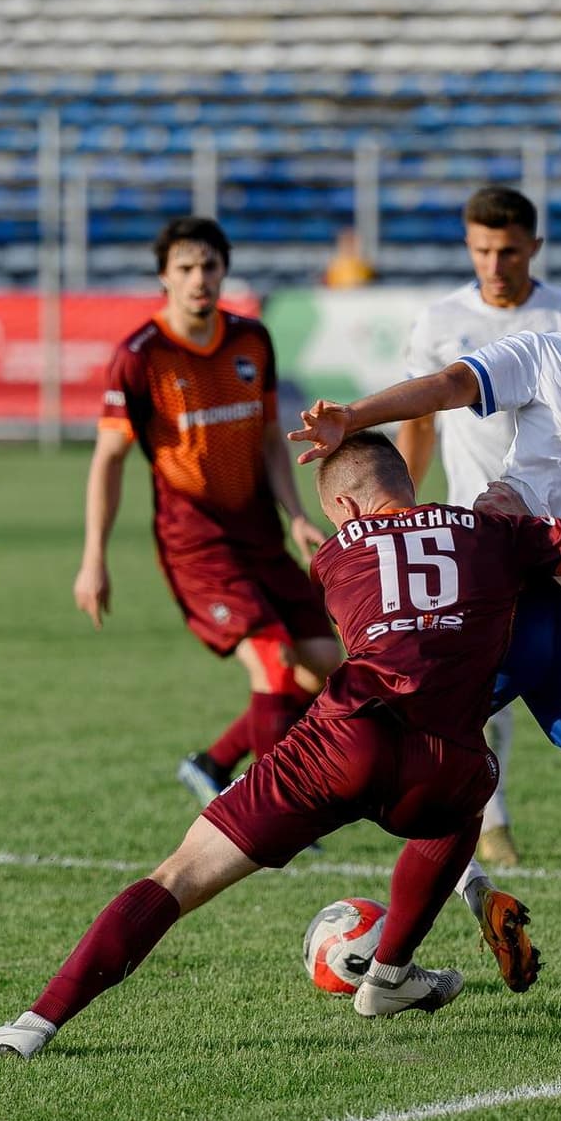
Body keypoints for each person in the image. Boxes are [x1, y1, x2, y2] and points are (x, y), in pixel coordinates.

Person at [0, 433, 561, 1059]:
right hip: (445, 765)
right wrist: (533, 532)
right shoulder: (492, 533)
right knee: (467, 797)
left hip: (345, 741)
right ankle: (389, 975)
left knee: (179, 877)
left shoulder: (336, 554)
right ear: (406, 483)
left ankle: (33, 1024)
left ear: (343, 510)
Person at [291, 253, 561, 1028]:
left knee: (426, 766)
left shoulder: (548, 348)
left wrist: (354, 417)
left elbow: (448, 387)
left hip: (500, 593)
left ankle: (480, 896)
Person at [76, 216, 343, 804]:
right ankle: (274, 810)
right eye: (186, 268)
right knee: (274, 662)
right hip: (193, 538)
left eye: (209, 266)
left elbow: (272, 437)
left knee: (324, 661)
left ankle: (216, 762)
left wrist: (296, 513)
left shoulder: (252, 339)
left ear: (224, 270)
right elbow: (109, 460)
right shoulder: (139, 358)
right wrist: (93, 556)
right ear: (164, 278)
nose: (200, 279)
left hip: (259, 528)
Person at [395, 185, 561, 868]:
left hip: (558, 523)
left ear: (534, 248)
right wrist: (403, 513)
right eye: (481, 250)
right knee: (481, 681)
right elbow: (420, 425)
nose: (495, 264)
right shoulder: (440, 321)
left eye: (508, 250)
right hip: (474, 531)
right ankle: (491, 819)